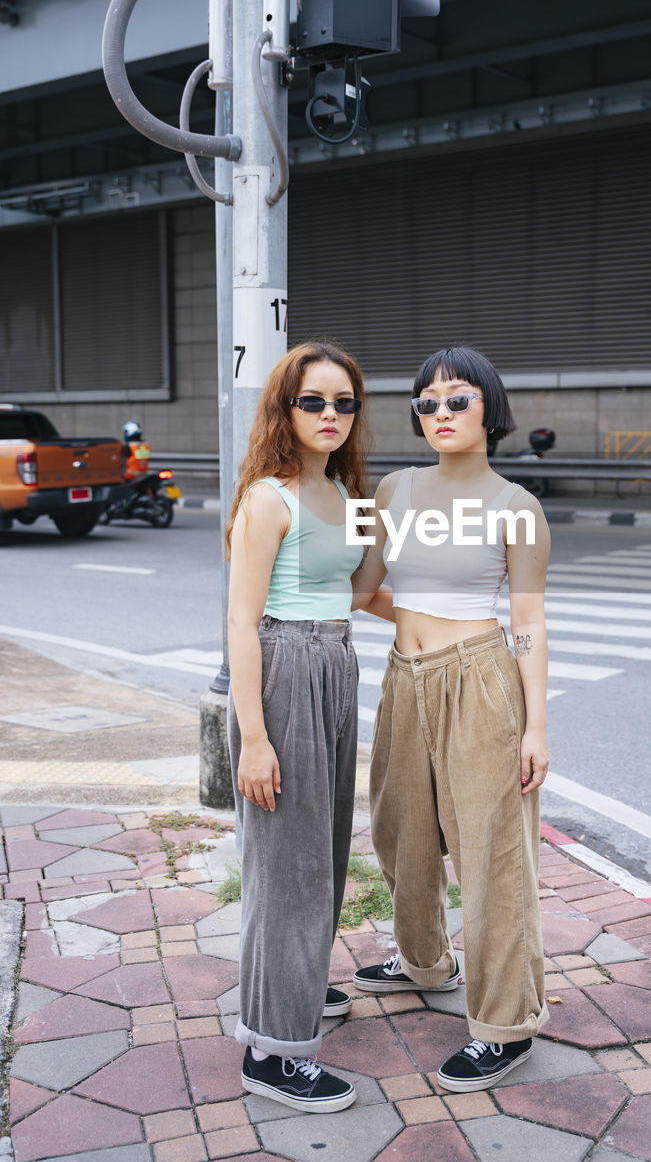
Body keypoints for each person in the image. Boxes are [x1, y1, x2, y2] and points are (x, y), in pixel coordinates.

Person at [350, 346, 551, 1092]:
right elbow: (366, 588)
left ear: (489, 410)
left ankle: (506, 1024)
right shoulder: (393, 490)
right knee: (399, 832)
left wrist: (535, 726)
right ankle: (424, 962)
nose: (439, 413)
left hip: (483, 683)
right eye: (427, 402)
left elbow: (528, 620)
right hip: (405, 679)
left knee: (493, 858)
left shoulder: (516, 507)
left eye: (456, 399)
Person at [225, 340, 374, 1114]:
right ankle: (271, 1052)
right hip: (284, 671)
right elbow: (242, 623)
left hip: (336, 668)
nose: (329, 415)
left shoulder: (344, 495)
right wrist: (254, 737)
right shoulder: (268, 498)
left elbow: (365, 592)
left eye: (343, 402)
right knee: (288, 871)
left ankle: (295, 994)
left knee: (322, 857)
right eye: (312, 401)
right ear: (285, 409)